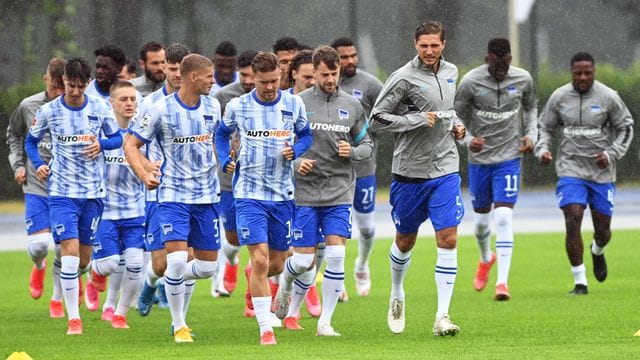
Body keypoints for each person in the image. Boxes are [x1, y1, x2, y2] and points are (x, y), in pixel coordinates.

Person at [369, 21, 466, 336]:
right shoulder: (402, 78)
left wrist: (457, 126)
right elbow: (377, 119)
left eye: (434, 45)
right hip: (409, 173)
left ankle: (443, 317)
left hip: (446, 167)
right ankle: (397, 292)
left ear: (443, 44)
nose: (429, 51)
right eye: (423, 45)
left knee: (448, 238)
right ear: (415, 45)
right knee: (405, 239)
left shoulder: (451, 71)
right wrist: (414, 120)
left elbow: (446, 111)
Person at [274, 46, 372, 336]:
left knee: (336, 255)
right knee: (303, 260)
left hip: (339, 192)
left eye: (334, 73)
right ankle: (285, 285)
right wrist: (296, 163)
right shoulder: (297, 103)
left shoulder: (352, 105)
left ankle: (325, 323)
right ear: (313, 73)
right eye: (324, 74)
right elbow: (280, 146)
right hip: (305, 193)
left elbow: (367, 146)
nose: (330, 79)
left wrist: (352, 151)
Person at [215, 52, 312, 345]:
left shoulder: (294, 104)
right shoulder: (237, 106)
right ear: (252, 79)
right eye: (263, 82)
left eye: (274, 81)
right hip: (247, 194)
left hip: (282, 195)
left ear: (281, 77)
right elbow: (221, 135)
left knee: (278, 262)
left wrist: (296, 150)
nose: (269, 87)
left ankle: (251, 274)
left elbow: (306, 135)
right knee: (259, 258)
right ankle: (265, 328)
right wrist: (224, 159)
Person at [125, 54, 222, 343]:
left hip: (206, 197)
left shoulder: (214, 106)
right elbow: (130, 144)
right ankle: (179, 325)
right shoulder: (159, 109)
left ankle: (154, 283)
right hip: (171, 196)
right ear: (193, 77)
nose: (213, 81)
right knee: (175, 261)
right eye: (209, 76)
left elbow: (217, 143)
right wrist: (145, 175)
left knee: (206, 268)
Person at [25, 57, 123, 335]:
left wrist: (101, 145)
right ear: (63, 83)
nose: (76, 91)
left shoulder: (101, 108)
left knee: (82, 260)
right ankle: (74, 319)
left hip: (93, 193)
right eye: (71, 86)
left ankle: (84, 275)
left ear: (87, 84)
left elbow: (116, 139)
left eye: (81, 86)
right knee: (68, 252)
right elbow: (31, 141)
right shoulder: (49, 112)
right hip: (61, 193)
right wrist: (39, 164)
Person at [535, 52, 634, 295]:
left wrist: (611, 154)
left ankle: (597, 250)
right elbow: (544, 127)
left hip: (602, 173)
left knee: (603, 230)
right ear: (571, 72)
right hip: (570, 169)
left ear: (594, 72)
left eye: (587, 73)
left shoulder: (609, 97)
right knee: (573, 217)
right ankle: (580, 282)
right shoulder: (559, 97)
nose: (582, 77)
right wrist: (543, 149)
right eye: (577, 73)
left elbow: (626, 128)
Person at [454, 38, 538, 301]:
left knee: (502, 217)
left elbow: (531, 107)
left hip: (509, 157)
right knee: (480, 223)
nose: (502, 68)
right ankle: (485, 258)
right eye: (497, 63)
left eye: (506, 62)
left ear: (510, 58)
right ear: (488, 58)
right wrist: (468, 141)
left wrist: (532, 135)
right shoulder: (470, 82)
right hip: (480, 161)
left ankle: (502, 283)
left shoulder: (523, 79)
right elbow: (454, 116)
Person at [6, 58, 66, 317]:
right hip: (36, 184)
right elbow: (14, 134)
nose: (59, 94)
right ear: (46, 80)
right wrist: (18, 165)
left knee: (66, 248)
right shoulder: (28, 106)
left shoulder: (77, 107)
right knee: (40, 244)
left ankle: (57, 298)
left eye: (63, 88)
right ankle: (39, 265)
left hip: (68, 187)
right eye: (54, 87)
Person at [135, 43, 191, 316]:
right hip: (159, 194)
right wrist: (147, 169)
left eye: (182, 69)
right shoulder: (150, 103)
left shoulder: (202, 102)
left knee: (188, 258)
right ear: (165, 69)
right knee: (162, 264)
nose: (177, 74)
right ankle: (150, 282)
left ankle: (178, 320)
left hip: (193, 194)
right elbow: (132, 145)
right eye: (171, 68)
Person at [331, 36, 384, 299]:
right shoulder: (325, 84)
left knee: (365, 227)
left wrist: (368, 135)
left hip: (363, 167)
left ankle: (362, 266)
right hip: (331, 170)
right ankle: (336, 280)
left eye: (353, 56)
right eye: (344, 57)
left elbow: (388, 115)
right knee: (335, 228)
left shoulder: (371, 84)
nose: (350, 61)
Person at [90, 80, 145, 329]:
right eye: (123, 99)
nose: (129, 103)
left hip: (135, 209)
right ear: (111, 103)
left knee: (134, 264)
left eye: (133, 99)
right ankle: (94, 270)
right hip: (105, 211)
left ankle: (119, 313)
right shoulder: (101, 135)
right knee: (111, 264)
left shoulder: (143, 134)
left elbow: (152, 164)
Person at [210, 49, 257, 300]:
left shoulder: (271, 98)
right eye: (245, 75)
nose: (249, 81)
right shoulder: (223, 97)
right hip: (229, 178)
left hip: (260, 178)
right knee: (234, 237)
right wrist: (224, 157)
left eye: (253, 75)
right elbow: (214, 135)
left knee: (260, 236)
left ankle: (255, 283)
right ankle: (231, 260)